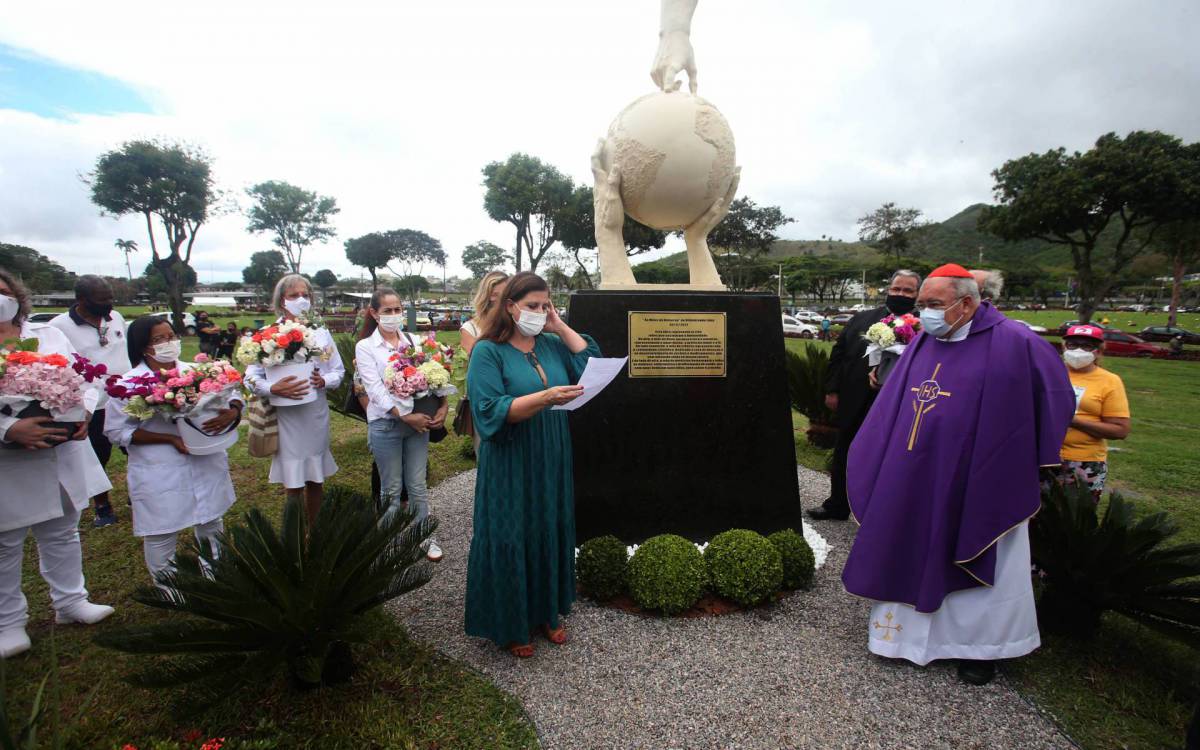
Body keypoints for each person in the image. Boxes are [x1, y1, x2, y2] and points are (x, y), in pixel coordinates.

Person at [841, 263, 1075, 686]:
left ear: (967, 303)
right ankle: (899, 641)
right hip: (916, 473)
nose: (925, 313)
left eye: (935, 304)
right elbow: (894, 405)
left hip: (984, 477)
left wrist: (1020, 455)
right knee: (908, 540)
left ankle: (980, 649)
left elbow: (1055, 397)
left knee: (985, 554)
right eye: (922, 304)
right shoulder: (924, 342)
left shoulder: (1017, 342)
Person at [464, 272, 599, 657]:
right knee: (512, 533)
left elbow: (591, 360)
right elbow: (489, 410)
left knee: (548, 526)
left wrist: (558, 323)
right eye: (532, 307)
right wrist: (546, 397)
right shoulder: (488, 351)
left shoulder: (552, 345)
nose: (540, 313)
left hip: (551, 452)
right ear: (509, 307)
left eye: (545, 306)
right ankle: (512, 622)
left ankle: (547, 613)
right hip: (512, 456)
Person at [0, 268, 115, 657]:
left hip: (61, 445)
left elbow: (82, 376)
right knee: (6, 540)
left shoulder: (47, 333)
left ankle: (70, 602)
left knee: (63, 528)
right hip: (10, 458)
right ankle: (8, 622)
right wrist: (8, 428)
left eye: (3, 291)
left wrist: (83, 411)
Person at [105, 317, 241, 582]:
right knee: (161, 529)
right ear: (144, 347)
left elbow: (232, 394)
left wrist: (233, 412)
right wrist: (169, 440)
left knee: (211, 519)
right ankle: (168, 585)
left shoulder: (198, 372)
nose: (169, 343)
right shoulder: (129, 385)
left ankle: (216, 573)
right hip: (160, 465)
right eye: (159, 339)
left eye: (171, 336)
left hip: (205, 457)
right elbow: (116, 431)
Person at [808, 270, 921, 521]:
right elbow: (839, 355)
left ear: (917, 294)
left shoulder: (923, 325)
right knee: (845, 451)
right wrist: (832, 390)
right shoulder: (862, 319)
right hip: (855, 399)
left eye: (907, 291)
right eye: (896, 289)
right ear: (888, 290)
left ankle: (881, 514)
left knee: (890, 458)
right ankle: (837, 504)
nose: (900, 294)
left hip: (900, 405)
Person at [354, 289, 449, 561]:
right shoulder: (366, 347)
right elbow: (374, 389)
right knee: (391, 488)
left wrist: (442, 406)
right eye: (388, 311)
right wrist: (403, 415)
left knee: (417, 483)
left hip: (418, 424)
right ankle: (389, 541)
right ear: (374, 313)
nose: (394, 316)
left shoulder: (412, 341)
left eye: (398, 310)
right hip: (387, 425)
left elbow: (433, 378)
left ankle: (424, 535)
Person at [243, 275, 344, 523]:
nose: (301, 300)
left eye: (305, 295)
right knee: (293, 480)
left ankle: (314, 530)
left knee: (315, 478)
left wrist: (325, 381)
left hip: (315, 414)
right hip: (287, 416)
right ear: (281, 300)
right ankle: (295, 534)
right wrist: (272, 387)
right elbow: (250, 377)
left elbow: (338, 371)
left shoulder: (321, 333)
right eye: (293, 295)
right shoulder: (267, 335)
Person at [48, 275, 132, 528]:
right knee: (98, 456)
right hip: (90, 406)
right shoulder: (59, 327)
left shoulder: (115, 318)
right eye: (102, 299)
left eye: (110, 297)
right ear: (82, 300)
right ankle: (102, 505)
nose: (109, 303)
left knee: (135, 449)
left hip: (126, 399)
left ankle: (135, 495)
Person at [1056, 325, 1131, 499]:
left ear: (1098, 351)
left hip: (1084, 461)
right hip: (1044, 457)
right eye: (1072, 344)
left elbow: (1120, 430)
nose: (1078, 350)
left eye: (1087, 346)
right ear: (1064, 346)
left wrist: (1073, 420)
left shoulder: (1110, 381)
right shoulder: (1050, 372)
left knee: (1075, 519)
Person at [459, 271, 509, 454]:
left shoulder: (514, 326)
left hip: (514, 394)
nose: (500, 300)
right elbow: (479, 361)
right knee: (486, 450)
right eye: (495, 295)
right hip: (486, 398)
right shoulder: (470, 328)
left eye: (505, 295)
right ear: (486, 297)